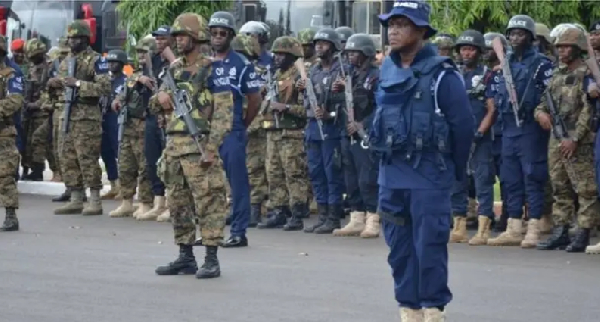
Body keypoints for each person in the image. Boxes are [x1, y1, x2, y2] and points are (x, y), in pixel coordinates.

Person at [371, 1, 474, 320]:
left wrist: (453, 173)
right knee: (399, 252)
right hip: (391, 176)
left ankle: (432, 310)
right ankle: (409, 310)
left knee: (428, 248)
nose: (394, 30)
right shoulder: (386, 69)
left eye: (403, 23)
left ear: (421, 30)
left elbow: (464, 127)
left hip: (430, 176)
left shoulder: (444, 75)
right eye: (392, 23)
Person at [152, 12, 229, 279]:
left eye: (182, 36)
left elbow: (223, 113)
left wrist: (212, 148)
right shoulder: (173, 70)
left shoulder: (213, 69)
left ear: (196, 38)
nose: (177, 41)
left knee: (209, 201)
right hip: (174, 147)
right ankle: (186, 256)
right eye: (176, 37)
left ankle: (211, 258)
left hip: (200, 146)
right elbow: (156, 104)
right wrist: (160, 97)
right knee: (178, 204)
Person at [487, 15, 553, 247]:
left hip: (530, 127)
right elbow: (496, 94)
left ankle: (533, 226)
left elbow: (550, 95)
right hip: (508, 127)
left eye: (520, 34)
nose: (515, 38)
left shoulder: (542, 64)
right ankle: (514, 226)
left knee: (533, 176)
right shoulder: (505, 64)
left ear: (530, 37)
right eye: (512, 34)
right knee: (510, 178)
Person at [535, 25, 598, 253]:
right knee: (559, 185)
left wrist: (575, 138)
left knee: (585, 189)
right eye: (559, 47)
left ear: (577, 48)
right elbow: (543, 102)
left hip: (578, 140)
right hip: (556, 139)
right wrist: (540, 114)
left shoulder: (587, 74)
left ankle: (583, 232)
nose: (561, 51)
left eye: (566, 47)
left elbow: (588, 111)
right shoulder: (557, 74)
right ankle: (561, 231)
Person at [208, 11, 262, 248]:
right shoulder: (203, 63)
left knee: (238, 181)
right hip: (208, 133)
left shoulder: (241, 64)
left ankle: (239, 231)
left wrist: (241, 126)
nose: (218, 37)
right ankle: (212, 229)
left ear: (230, 36)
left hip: (232, 131)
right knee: (210, 182)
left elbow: (255, 100)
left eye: (223, 33)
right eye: (214, 33)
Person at [50, 20, 111, 216]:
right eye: (69, 38)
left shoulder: (95, 60)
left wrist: (77, 84)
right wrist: (54, 86)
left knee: (87, 158)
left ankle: (94, 199)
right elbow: (61, 87)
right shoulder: (66, 60)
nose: (71, 41)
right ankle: (75, 197)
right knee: (67, 157)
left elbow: (104, 88)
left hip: (86, 117)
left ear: (85, 39)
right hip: (66, 114)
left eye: (75, 38)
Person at [448, 30, 496, 246]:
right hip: (456, 137)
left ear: (479, 52)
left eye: (471, 49)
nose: (466, 53)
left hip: (480, 137)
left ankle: (484, 228)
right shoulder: (454, 74)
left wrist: (479, 133)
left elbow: (491, 109)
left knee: (482, 180)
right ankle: (459, 226)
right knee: (457, 181)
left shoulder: (487, 75)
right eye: (463, 49)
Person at [331, 33, 380, 238]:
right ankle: (356, 217)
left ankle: (373, 220)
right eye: (349, 52)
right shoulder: (347, 74)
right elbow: (339, 104)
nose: (350, 56)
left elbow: (379, 106)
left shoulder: (375, 76)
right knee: (350, 177)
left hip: (365, 133)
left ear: (366, 53)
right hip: (346, 131)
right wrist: (335, 90)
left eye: (355, 52)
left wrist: (363, 124)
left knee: (366, 178)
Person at [257, 36, 308, 231]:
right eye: (276, 54)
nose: (277, 58)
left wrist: (286, 107)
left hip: (292, 132)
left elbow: (307, 109)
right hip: (273, 131)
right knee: (273, 172)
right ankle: (279, 209)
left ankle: (297, 211)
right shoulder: (275, 75)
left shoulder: (300, 76)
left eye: (282, 54)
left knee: (293, 173)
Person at [299, 28, 346, 234]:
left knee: (331, 172)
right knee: (316, 172)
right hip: (312, 126)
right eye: (317, 43)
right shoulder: (314, 70)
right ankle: (323, 213)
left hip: (331, 127)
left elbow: (348, 103)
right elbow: (308, 99)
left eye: (324, 43)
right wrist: (302, 88)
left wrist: (331, 115)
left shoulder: (341, 70)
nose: (319, 46)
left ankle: (334, 216)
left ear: (334, 46)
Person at [108, 46, 154, 218]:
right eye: (139, 54)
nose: (142, 56)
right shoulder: (134, 76)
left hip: (144, 124)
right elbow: (124, 92)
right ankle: (127, 201)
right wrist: (117, 102)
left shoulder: (156, 72)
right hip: (128, 124)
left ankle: (145, 202)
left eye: (145, 53)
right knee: (125, 164)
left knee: (144, 167)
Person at [238, 23, 271, 226]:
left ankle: (256, 208)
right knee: (239, 167)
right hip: (239, 120)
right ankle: (238, 207)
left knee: (256, 166)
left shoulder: (270, 62)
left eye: (253, 36)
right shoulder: (238, 63)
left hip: (259, 121)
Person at [140, 26, 172, 222]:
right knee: (153, 158)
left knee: (170, 161)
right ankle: (158, 202)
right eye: (157, 39)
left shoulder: (174, 60)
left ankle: (170, 203)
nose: (159, 42)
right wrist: (141, 80)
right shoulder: (153, 60)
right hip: (152, 114)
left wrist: (171, 56)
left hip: (170, 116)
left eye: (163, 38)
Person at [482, 32, 509, 232]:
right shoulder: (482, 73)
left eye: (490, 48)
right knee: (484, 176)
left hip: (502, 129)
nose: (486, 52)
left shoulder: (505, 71)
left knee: (506, 176)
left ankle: (508, 214)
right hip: (486, 132)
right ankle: (483, 214)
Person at [0, 35, 25, 232]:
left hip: (4, 132)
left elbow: (15, 101)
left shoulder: (12, 73)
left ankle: (10, 215)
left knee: (5, 175)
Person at [22, 38, 51, 181]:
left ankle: (38, 170)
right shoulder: (31, 67)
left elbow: (50, 90)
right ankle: (28, 168)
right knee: (27, 141)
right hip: (29, 110)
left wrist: (38, 104)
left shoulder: (49, 68)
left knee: (38, 140)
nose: (32, 59)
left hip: (42, 110)